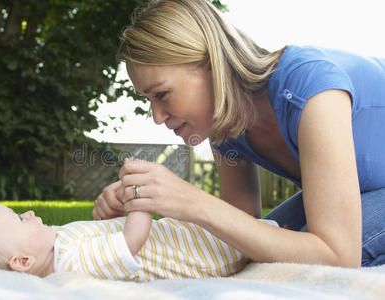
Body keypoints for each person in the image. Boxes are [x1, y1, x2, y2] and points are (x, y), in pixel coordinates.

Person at [93, 0, 385, 267]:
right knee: (264, 251)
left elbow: (338, 257)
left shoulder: (311, 89)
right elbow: (239, 230)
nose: (157, 117)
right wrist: (142, 209)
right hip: (371, 191)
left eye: (161, 94)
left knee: (308, 257)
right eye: (149, 100)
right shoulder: (226, 129)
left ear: (210, 65)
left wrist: (194, 200)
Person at [0, 201, 277, 281]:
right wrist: (140, 198)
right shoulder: (71, 264)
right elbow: (132, 240)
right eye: (19, 220)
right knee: (287, 233)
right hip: (207, 253)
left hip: (194, 236)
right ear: (22, 261)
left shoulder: (53, 245)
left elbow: (103, 234)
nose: (28, 212)